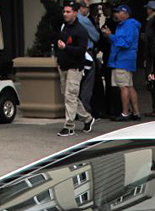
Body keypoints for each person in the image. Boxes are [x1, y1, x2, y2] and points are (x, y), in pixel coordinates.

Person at [55, 1, 96, 136]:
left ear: (75, 13)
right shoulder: (64, 27)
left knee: (70, 95)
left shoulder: (81, 30)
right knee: (69, 96)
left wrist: (65, 47)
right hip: (63, 66)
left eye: (68, 12)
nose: (65, 14)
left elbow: (81, 50)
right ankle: (87, 118)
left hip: (75, 67)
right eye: (64, 12)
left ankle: (69, 126)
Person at [102, 4, 142, 120]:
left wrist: (110, 36)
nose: (116, 14)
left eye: (119, 12)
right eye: (115, 12)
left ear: (126, 14)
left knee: (123, 87)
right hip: (125, 60)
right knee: (129, 86)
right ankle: (135, 112)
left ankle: (125, 112)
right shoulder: (127, 25)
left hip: (122, 60)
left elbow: (125, 43)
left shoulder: (128, 26)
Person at [76, 0, 100, 116]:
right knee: (87, 83)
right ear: (82, 8)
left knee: (76, 83)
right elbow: (96, 36)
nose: (88, 10)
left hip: (75, 53)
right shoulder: (84, 20)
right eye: (87, 8)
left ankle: (76, 110)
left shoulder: (71, 21)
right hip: (86, 53)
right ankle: (85, 110)